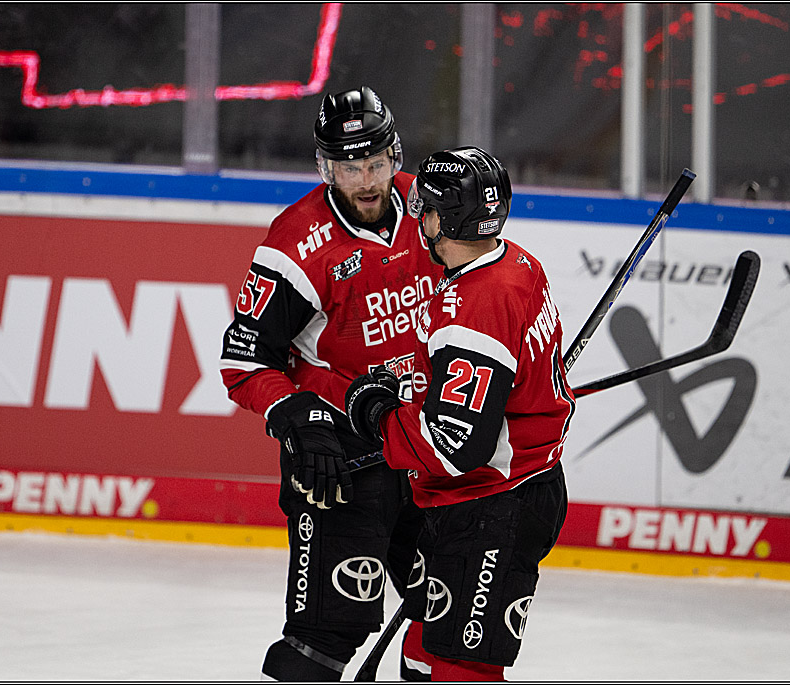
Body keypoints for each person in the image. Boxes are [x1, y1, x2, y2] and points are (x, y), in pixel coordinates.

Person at [219, 86, 442, 681]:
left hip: (426, 442)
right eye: (349, 167)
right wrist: (300, 417)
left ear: (395, 156)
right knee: (326, 632)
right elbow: (244, 361)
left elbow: (485, 300)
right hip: (339, 459)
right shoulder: (297, 241)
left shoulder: (435, 207)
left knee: (448, 615)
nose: (366, 181)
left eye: (375, 163)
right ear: (326, 168)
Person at [344, 146, 574, 681]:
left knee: (460, 666)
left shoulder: (474, 307)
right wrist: (410, 388)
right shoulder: (518, 263)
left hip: (493, 505)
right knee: (423, 656)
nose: (418, 217)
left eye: (426, 208)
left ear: (446, 219)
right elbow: (505, 377)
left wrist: (379, 416)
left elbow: (457, 445)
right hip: (502, 494)